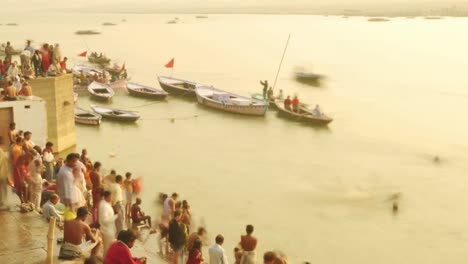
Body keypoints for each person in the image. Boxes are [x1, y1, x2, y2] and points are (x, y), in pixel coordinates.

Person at [99, 190, 117, 255]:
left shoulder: (104, 203)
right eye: (111, 197)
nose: (112, 198)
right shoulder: (104, 206)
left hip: (108, 229)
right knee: (108, 250)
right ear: (107, 197)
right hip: (107, 231)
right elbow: (104, 220)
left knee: (108, 249)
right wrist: (115, 216)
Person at [0, 136, 9, 208]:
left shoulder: (1, 150)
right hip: (1, 173)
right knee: (2, 189)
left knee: (3, 189)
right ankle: (1, 204)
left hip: (3, 173)